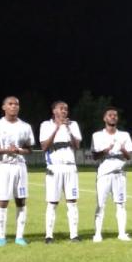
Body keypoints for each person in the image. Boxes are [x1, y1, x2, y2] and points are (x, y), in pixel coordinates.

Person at [0, 96, 34, 246]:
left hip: (20, 165)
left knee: (21, 200)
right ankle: (1, 238)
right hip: (3, 165)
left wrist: (18, 150)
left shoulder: (25, 126)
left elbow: (30, 149)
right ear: (4, 107)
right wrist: (6, 150)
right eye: (10, 104)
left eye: (16, 104)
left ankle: (19, 237)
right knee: (3, 201)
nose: (14, 106)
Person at [40, 101, 82, 243]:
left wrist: (68, 129)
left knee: (72, 202)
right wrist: (57, 128)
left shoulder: (73, 125)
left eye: (66, 109)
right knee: (52, 202)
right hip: (54, 167)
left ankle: (74, 235)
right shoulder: (46, 125)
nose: (64, 111)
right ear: (54, 111)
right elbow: (44, 146)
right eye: (61, 108)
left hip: (70, 167)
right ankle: (49, 236)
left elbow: (77, 145)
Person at [90, 106, 132, 242]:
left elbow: (129, 156)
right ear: (104, 118)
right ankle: (97, 234)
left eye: (115, 115)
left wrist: (122, 149)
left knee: (121, 204)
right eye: (110, 115)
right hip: (104, 174)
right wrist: (105, 151)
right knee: (101, 204)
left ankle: (122, 233)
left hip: (119, 174)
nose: (113, 117)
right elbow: (94, 156)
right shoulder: (97, 135)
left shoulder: (124, 135)